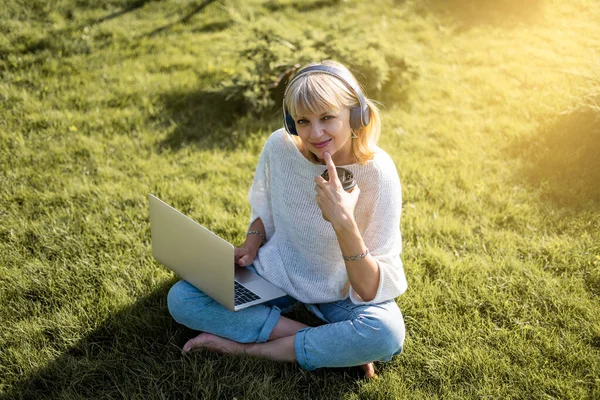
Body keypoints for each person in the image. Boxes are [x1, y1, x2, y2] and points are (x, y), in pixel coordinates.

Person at [167, 60, 408, 378]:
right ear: (291, 124)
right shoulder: (280, 147)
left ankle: (247, 349)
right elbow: (264, 211)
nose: (316, 133)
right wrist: (251, 245)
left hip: (341, 291)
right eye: (303, 121)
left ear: (356, 114)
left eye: (327, 117)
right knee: (182, 298)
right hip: (278, 272)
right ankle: (324, 343)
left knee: (387, 333)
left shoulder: (379, 173)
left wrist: (343, 221)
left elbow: (368, 288)